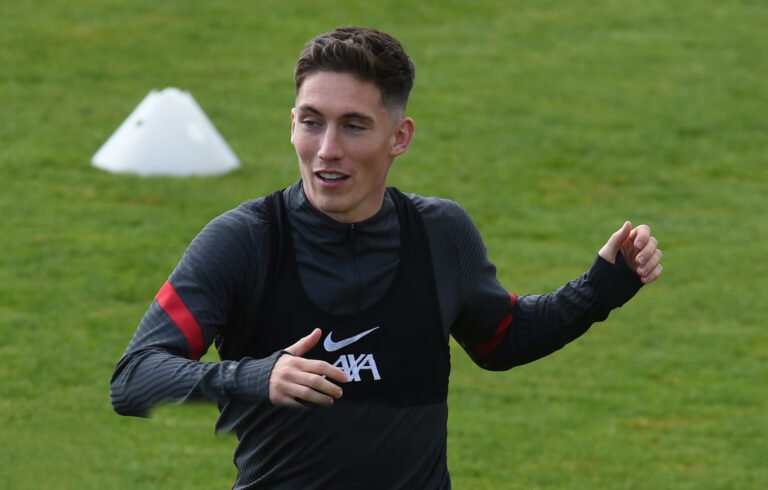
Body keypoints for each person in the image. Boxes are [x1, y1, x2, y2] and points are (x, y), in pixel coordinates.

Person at [111, 26, 663, 489]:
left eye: (353, 126)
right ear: (292, 124)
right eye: (311, 121)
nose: (327, 148)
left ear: (399, 137)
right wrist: (256, 377)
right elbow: (135, 378)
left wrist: (600, 288)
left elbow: (501, 339)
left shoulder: (440, 233)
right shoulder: (244, 243)